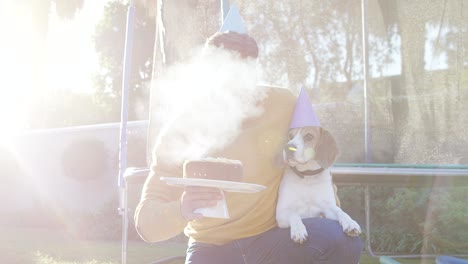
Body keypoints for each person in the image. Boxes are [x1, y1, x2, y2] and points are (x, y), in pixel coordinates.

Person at [134, 9, 363, 264]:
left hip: (271, 239)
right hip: (210, 245)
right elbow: (145, 223)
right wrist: (182, 208)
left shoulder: (283, 103)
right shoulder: (181, 129)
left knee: (342, 240)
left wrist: (328, 206)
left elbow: (317, 153)